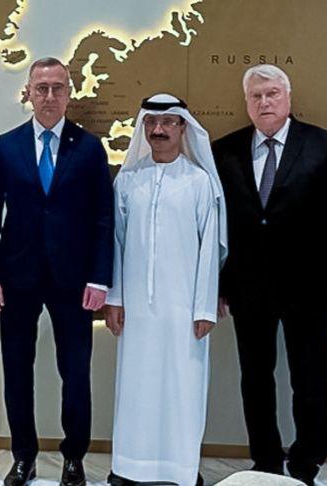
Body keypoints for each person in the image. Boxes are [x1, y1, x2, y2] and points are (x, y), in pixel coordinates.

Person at [212, 64, 327, 486]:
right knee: (255, 378)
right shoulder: (226, 151)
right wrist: (220, 285)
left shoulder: (323, 145)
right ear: (246, 102)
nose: (264, 102)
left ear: (288, 97)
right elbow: (220, 226)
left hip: (307, 285)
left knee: (310, 378)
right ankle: (266, 460)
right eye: (256, 96)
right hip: (247, 285)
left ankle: (307, 460)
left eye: (272, 93)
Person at [0, 57, 114, 486]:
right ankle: (24, 457)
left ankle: (74, 458)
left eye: (58, 88)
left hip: (74, 281)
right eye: (42, 88)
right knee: (17, 370)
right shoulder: (6, 146)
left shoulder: (89, 148)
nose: (50, 96)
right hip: (16, 276)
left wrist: (100, 278)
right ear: (29, 93)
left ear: (69, 94)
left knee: (75, 372)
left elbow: (104, 218)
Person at [104, 93, 227, 486]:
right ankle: (129, 467)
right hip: (137, 309)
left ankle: (180, 469)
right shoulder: (128, 180)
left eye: (167, 122)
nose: (158, 130)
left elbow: (211, 250)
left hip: (184, 311)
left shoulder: (199, 182)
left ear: (182, 127)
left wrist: (204, 307)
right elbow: (116, 243)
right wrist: (115, 299)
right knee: (136, 386)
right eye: (151, 123)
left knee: (181, 386)